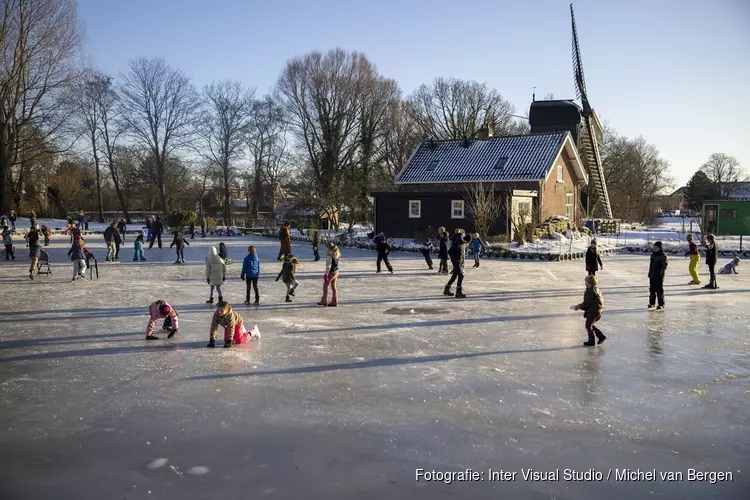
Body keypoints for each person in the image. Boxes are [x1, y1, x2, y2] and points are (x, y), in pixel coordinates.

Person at [573, 275, 606, 346]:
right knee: (590, 324)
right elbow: (590, 302)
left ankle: (592, 340)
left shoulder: (591, 291)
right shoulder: (595, 289)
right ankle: (601, 336)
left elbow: (588, 302)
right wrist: (583, 307)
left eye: (586, 282)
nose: (585, 283)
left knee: (588, 325)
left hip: (594, 311)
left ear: (590, 283)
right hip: (597, 310)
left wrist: (579, 306)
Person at [444, 230, 470, 298]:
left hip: (458, 262)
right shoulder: (458, 243)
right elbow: (450, 251)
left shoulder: (461, 242)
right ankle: (458, 292)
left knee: (454, 276)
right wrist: (455, 260)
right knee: (461, 275)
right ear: (465, 240)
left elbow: (460, 254)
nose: (466, 244)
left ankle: (446, 289)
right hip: (456, 262)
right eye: (467, 242)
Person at [648, 241, 668, 310]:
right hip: (652, 275)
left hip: (659, 276)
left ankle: (661, 304)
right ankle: (652, 303)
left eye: (656, 247)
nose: (655, 249)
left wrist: (661, 273)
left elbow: (664, 266)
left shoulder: (663, 255)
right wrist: (650, 274)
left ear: (660, 248)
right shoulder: (653, 255)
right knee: (652, 290)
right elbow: (651, 265)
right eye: (654, 247)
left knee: (659, 290)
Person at [318, 242, 340, 307]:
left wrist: (326, 275)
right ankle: (335, 301)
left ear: (328, 248)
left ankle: (324, 300)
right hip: (336, 271)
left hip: (331, 272)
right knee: (333, 286)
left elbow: (328, 266)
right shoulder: (336, 253)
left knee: (325, 285)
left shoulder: (329, 256)